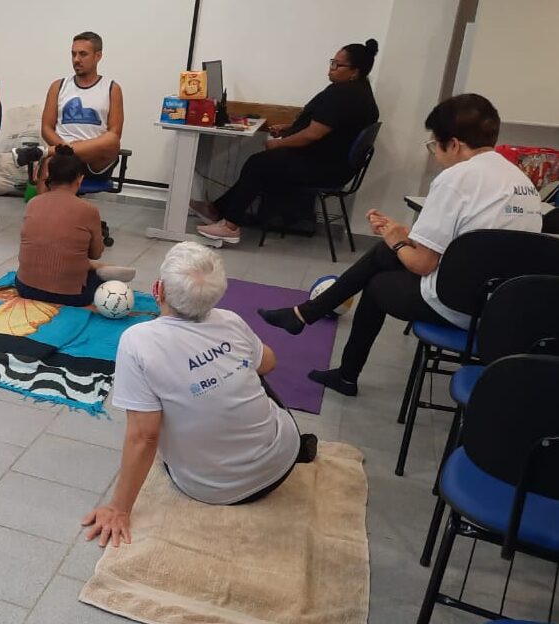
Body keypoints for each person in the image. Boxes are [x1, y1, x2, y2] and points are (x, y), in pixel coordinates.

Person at [258, 94, 543, 396]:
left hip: (460, 306)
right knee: (385, 252)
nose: (435, 155)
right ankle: (304, 316)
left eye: (435, 145)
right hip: (502, 306)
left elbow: (423, 264)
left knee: (379, 282)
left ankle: (335, 358)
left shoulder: (457, 178)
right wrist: (400, 236)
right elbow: (468, 245)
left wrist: (395, 241)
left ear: (455, 144)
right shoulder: (520, 180)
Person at [82, 242, 317, 547]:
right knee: (251, 371)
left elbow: (145, 436)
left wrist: (118, 509)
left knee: (158, 403)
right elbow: (268, 363)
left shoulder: (138, 342)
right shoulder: (230, 320)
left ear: (158, 290)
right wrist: (224, 364)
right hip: (282, 462)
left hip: (211, 489)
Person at [191, 40, 382, 244]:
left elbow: (313, 135)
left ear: (355, 71)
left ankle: (230, 226)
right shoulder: (362, 92)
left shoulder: (342, 94)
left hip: (325, 168)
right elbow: (329, 128)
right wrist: (289, 128)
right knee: (262, 163)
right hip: (337, 166)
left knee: (258, 163)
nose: (331, 68)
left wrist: (279, 143)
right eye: (332, 62)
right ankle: (217, 210)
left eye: (337, 65)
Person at [15, 146, 135, 305]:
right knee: (100, 280)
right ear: (80, 179)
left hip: (25, 288)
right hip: (71, 296)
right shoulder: (89, 210)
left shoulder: (33, 203)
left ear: (50, 177)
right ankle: (100, 269)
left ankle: (94, 267)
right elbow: (96, 252)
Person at [11, 31, 125, 194]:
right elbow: (46, 128)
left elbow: (115, 133)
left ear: (98, 56)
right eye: (73, 54)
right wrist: (65, 149)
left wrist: (79, 147)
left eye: (83, 54)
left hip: (95, 160)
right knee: (52, 161)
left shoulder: (112, 88)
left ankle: (44, 152)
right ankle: (45, 214)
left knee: (112, 141)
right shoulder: (58, 86)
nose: (76, 59)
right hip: (61, 155)